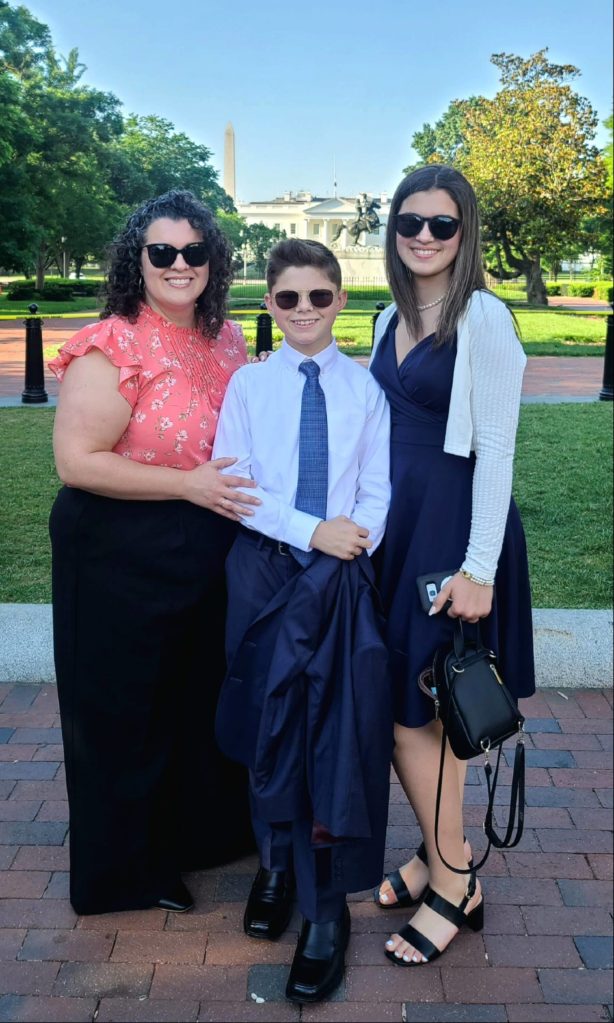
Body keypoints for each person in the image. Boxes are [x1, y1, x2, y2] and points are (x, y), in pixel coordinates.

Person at [48, 189, 260, 916]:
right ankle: (125, 871)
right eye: (161, 251)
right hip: (117, 545)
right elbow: (78, 461)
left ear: (213, 261)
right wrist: (187, 485)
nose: (179, 264)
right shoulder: (112, 341)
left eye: (194, 251)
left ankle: (199, 837)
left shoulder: (226, 337)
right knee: (123, 711)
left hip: (202, 541)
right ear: (136, 260)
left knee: (193, 699)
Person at [212, 239, 392, 1003]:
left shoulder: (365, 390)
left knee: (332, 734)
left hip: (340, 577)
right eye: (288, 299)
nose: (304, 312)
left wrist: (349, 540)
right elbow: (238, 484)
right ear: (271, 305)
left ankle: (326, 909)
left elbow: (379, 488)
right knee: (269, 721)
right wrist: (307, 530)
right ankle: (275, 863)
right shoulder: (250, 386)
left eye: (319, 297)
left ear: (339, 300)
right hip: (265, 566)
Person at [369, 165, 535, 966]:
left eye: (442, 224)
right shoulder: (384, 315)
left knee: (417, 718)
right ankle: (437, 852)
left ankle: (455, 875)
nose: (425, 237)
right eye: (411, 223)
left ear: (465, 231)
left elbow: (497, 450)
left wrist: (480, 568)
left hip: (453, 536)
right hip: (395, 535)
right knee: (420, 711)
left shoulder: (485, 318)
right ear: (393, 232)